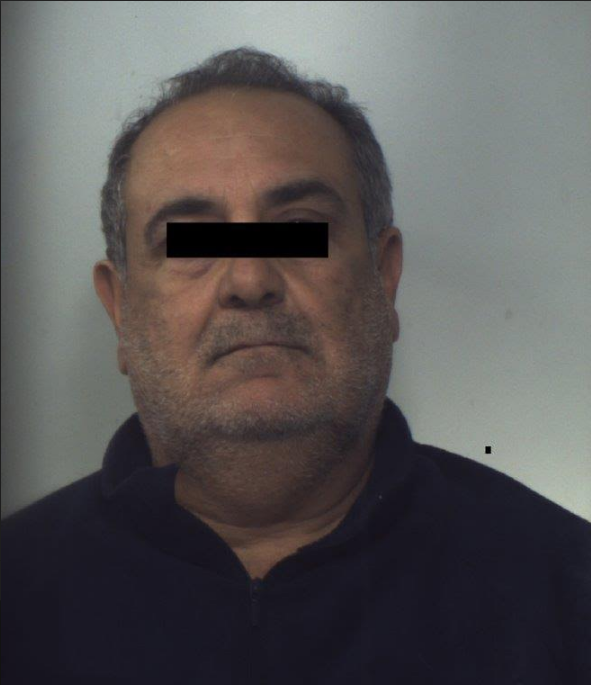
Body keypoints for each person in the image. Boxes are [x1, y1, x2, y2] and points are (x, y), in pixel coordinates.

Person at [2, 46, 590, 685]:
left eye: (300, 228)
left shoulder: (567, 592)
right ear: (120, 309)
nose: (250, 279)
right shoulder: (16, 595)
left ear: (384, 277)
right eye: (190, 239)